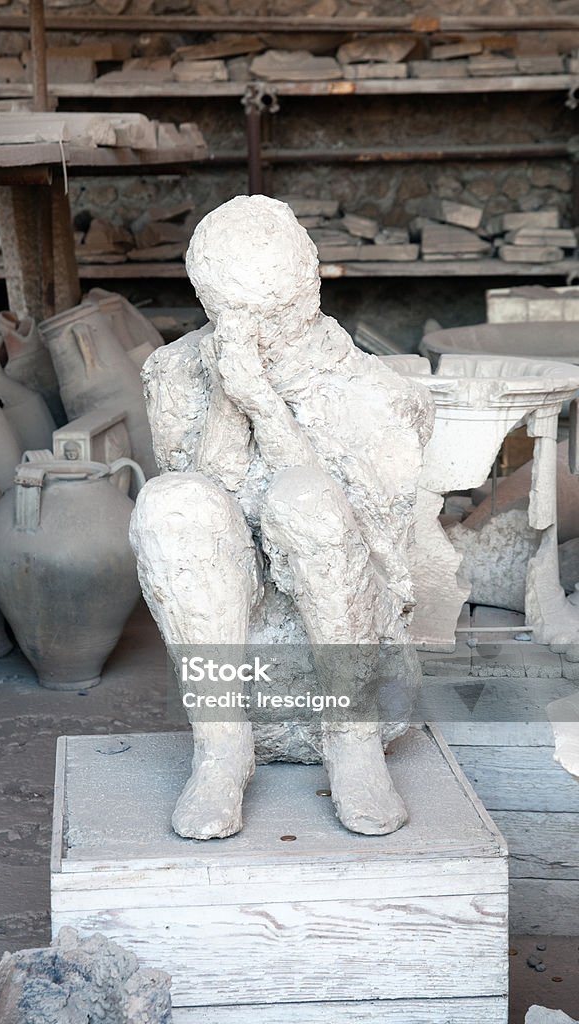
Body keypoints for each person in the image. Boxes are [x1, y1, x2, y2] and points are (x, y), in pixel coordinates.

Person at [130, 195, 434, 840]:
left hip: (345, 607)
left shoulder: (376, 391)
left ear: (308, 294)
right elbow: (205, 515)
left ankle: (352, 741)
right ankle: (222, 749)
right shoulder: (175, 370)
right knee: (171, 501)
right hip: (244, 607)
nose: (254, 332)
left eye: (270, 313)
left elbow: (376, 542)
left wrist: (265, 406)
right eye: (231, 314)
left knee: (306, 500)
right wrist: (226, 402)